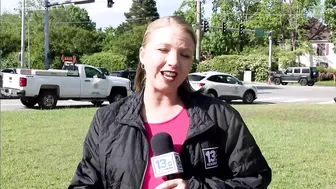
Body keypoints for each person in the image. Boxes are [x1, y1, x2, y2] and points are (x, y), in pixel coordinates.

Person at [68, 16, 272, 189]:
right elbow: (84, 183)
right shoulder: (107, 119)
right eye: (163, 50)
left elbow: (255, 178)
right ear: (143, 55)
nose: (174, 61)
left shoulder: (220, 116)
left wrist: (195, 187)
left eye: (185, 54)